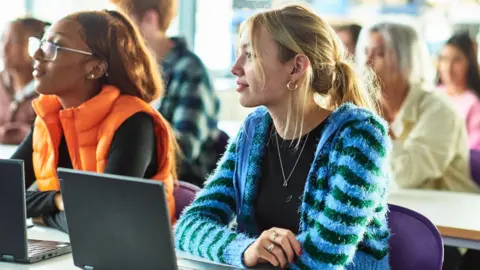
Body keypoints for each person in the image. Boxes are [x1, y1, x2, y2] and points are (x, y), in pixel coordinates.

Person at [174, 5, 391, 269]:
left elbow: (324, 257)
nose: (235, 68)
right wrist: (245, 250)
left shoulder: (360, 136)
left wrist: (260, 256)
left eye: (250, 55)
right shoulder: (253, 131)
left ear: (296, 67)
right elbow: (188, 226)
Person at [11, 10, 177, 232]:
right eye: (40, 43)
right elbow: (4, 193)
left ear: (94, 68)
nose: (37, 54)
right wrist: (56, 201)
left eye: (54, 47)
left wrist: (41, 214)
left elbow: (100, 220)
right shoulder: (47, 118)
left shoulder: (134, 123)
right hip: (68, 252)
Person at [356, 22, 480, 193]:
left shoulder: (440, 111)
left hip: (448, 212)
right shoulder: (364, 104)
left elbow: (407, 175)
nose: (367, 62)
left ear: (405, 60)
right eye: (365, 52)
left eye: (380, 53)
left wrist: (380, 125)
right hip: (401, 208)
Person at [111, 0, 221, 187]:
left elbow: (185, 148)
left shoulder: (190, 69)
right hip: (147, 178)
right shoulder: (136, 70)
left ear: (150, 19)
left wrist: (136, 142)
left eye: (125, 24)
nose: (118, 34)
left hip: (184, 185)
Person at [0, 18, 50, 144]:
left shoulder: (51, 90)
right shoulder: (1, 83)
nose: (4, 48)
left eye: (14, 41)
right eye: (2, 40)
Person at [437, 33, 480, 150]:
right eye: (444, 59)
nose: (448, 67)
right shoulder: (432, 94)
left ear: (469, 63)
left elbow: (474, 150)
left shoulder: (473, 103)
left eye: (457, 60)